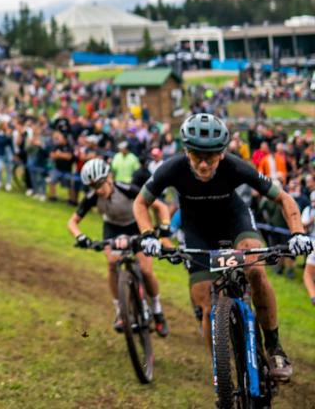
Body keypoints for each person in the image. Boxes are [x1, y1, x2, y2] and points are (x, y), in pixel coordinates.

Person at [134, 113, 313, 381]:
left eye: (212, 157)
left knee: (256, 270)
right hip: (197, 232)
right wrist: (148, 235)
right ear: (186, 151)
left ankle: (274, 346)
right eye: (197, 156)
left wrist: (298, 233)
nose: (204, 164)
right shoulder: (172, 168)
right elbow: (140, 203)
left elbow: (284, 198)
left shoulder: (236, 166)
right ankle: (222, 372)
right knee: (206, 302)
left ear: (223, 153)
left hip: (234, 222)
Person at [69, 158, 171, 335]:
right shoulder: (92, 197)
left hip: (135, 226)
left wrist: (163, 226)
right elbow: (72, 222)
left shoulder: (127, 189)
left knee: (146, 271)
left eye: (100, 184)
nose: (98, 190)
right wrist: (81, 237)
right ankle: (120, 310)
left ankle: (157, 310)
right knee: (111, 264)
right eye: (93, 186)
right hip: (112, 229)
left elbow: (159, 206)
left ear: (109, 177)